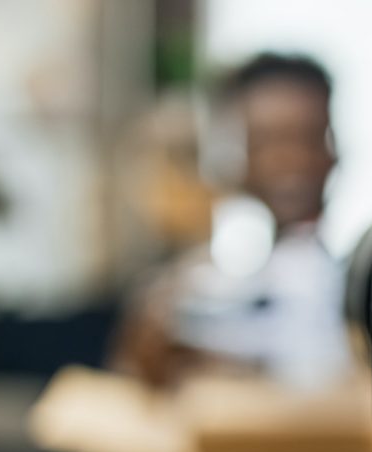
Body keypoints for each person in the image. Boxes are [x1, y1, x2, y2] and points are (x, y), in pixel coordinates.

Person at [115, 53, 348, 387]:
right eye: (268, 142)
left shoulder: (364, 287)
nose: (293, 161)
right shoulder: (179, 298)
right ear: (226, 155)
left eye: (311, 138)